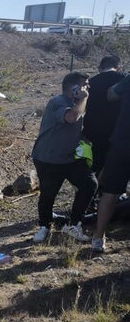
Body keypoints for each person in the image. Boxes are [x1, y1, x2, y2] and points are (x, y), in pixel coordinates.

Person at [31, 72, 97, 242]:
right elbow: (71, 118)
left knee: (89, 183)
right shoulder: (58, 102)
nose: (88, 88)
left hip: (68, 158)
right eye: (85, 85)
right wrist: (84, 98)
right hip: (48, 158)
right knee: (48, 195)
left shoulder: (76, 103)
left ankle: (74, 224)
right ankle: (44, 226)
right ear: (74, 88)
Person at [91, 74, 130, 252]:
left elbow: (111, 95)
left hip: (121, 144)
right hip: (121, 143)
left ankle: (98, 238)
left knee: (110, 193)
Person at [83, 56, 125, 175]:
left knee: (93, 166)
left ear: (100, 68)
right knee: (113, 170)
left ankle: (93, 189)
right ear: (118, 67)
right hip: (116, 132)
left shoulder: (90, 82)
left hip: (92, 131)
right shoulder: (124, 80)